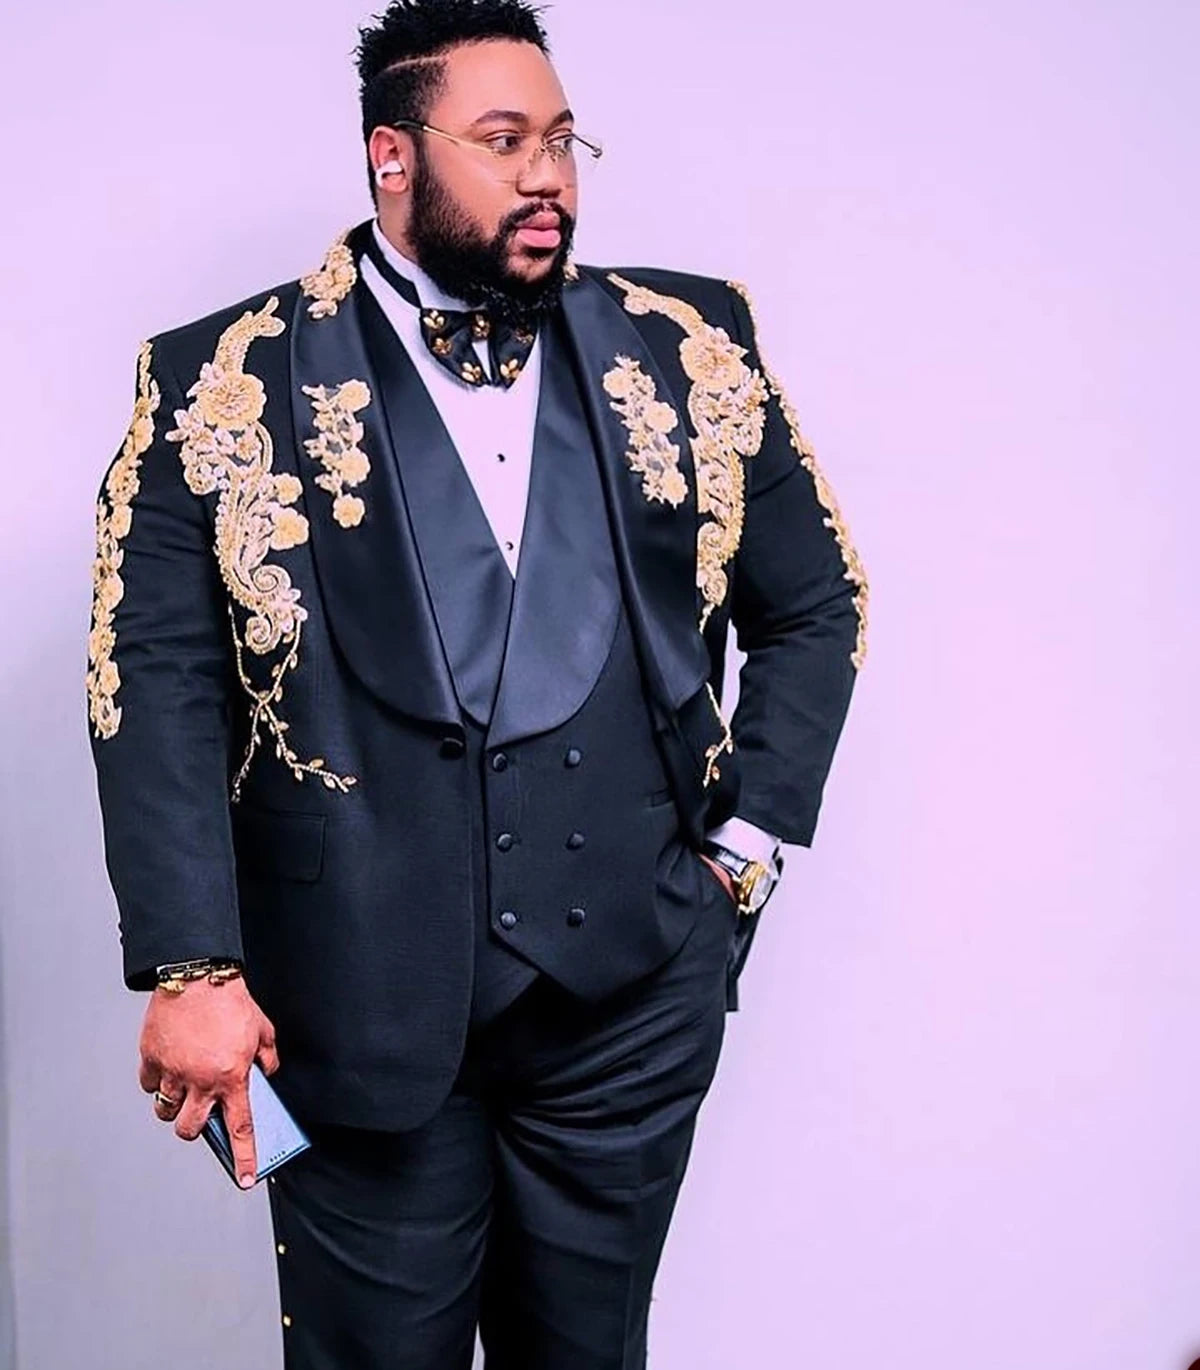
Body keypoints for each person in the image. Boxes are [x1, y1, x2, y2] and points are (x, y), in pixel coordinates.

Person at [85, 1, 870, 1364]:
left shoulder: (692, 341)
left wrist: (739, 862)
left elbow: (818, 603)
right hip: (347, 1000)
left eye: (562, 140)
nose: (547, 174)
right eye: (504, 140)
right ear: (391, 156)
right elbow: (149, 680)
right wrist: (191, 964)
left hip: (629, 999)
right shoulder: (216, 381)